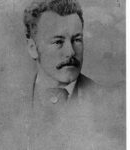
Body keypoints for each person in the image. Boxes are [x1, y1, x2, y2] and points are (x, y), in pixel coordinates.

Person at [22, 0, 125, 149]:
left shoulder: (113, 106)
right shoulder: (1, 108)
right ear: (32, 48)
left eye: (77, 40)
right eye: (58, 42)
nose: (71, 52)